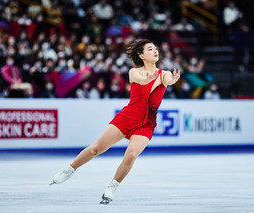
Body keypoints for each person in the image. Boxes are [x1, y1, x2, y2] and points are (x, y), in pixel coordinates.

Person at [50, 39, 180, 204]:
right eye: (150, 49)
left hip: (146, 124)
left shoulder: (164, 74)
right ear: (141, 55)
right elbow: (141, 81)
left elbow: (169, 80)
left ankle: (112, 186)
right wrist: (150, 79)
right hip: (127, 117)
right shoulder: (134, 72)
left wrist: (173, 80)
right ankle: (70, 169)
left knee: (131, 155)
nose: (155, 51)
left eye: (155, 48)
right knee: (96, 148)